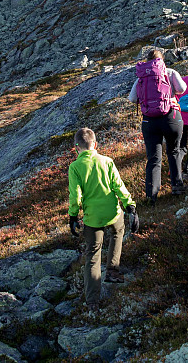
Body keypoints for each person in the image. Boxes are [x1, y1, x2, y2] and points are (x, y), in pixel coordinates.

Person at [68, 127, 139, 309]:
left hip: (92, 219)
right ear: (96, 144)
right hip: (113, 212)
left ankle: (92, 301)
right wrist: (130, 205)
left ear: (77, 147)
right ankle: (113, 271)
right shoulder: (107, 161)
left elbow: (75, 196)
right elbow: (118, 186)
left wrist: (73, 216)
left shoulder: (75, 167)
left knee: (93, 255)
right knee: (118, 231)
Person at [128, 49, 187, 202]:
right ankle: (177, 187)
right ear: (162, 60)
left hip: (149, 120)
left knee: (153, 158)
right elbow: (182, 88)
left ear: (147, 61)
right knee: (173, 151)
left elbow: (132, 98)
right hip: (171, 117)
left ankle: (151, 196)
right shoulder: (170, 72)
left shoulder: (142, 76)